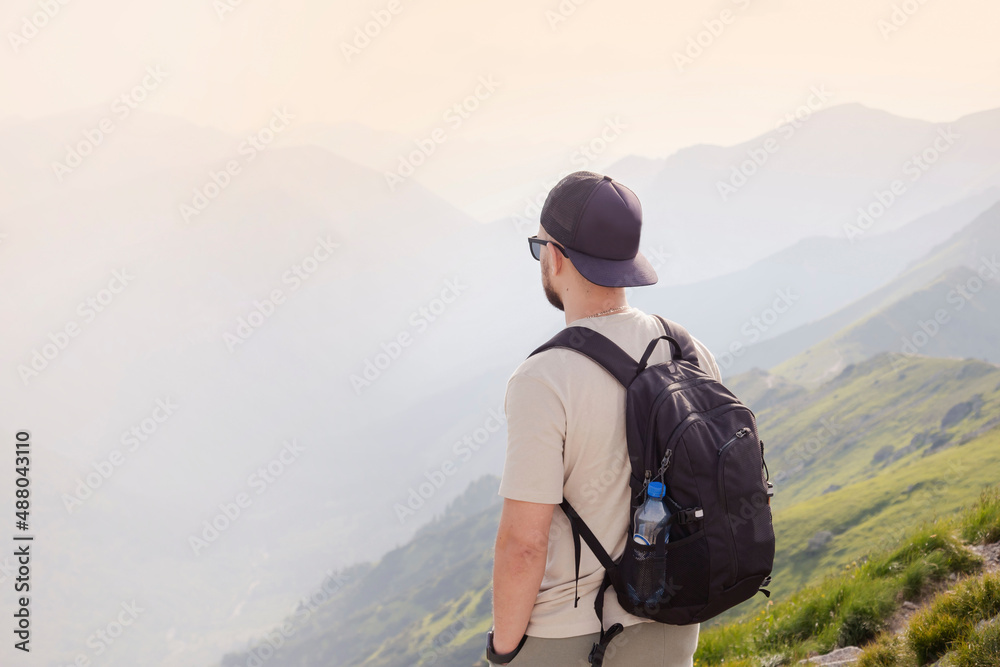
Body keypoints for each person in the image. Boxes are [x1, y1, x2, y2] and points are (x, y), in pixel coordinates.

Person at [487, 171, 722, 667]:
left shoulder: (544, 379)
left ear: (555, 255)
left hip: (571, 639)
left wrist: (502, 652)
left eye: (538, 248)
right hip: (673, 626)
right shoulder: (686, 348)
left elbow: (523, 546)